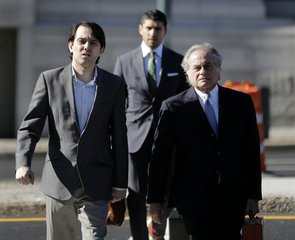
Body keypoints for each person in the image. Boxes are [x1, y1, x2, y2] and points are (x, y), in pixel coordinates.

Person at [15, 21, 128, 240]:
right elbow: (30, 126)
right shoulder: (49, 80)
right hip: (59, 180)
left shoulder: (114, 85)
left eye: (93, 42)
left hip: (97, 182)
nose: (87, 46)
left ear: (101, 50)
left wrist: (120, 184)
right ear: (70, 46)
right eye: (81, 41)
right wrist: (23, 163)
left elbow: (120, 138)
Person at [147, 43, 262, 240]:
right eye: (197, 68)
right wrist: (155, 201)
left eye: (208, 66)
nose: (202, 72)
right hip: (193, 199)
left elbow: (250, 151)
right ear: (187, 74)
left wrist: (253, 195)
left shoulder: (241, 103)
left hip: (233, 196)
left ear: (218, 70)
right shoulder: (174, 107)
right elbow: (160, 157)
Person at [113, 9, 188, 240]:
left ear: (164, 31)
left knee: (164, 192)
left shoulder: (178, 61)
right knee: (135, 195)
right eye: (149, 28)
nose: (152, 33)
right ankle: (139, 237)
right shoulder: (124, 62)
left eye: (157, 29)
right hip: (134, 139)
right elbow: (115, 104)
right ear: (140, 29)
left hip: (167, 138)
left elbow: (186, 101)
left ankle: (157, 231)